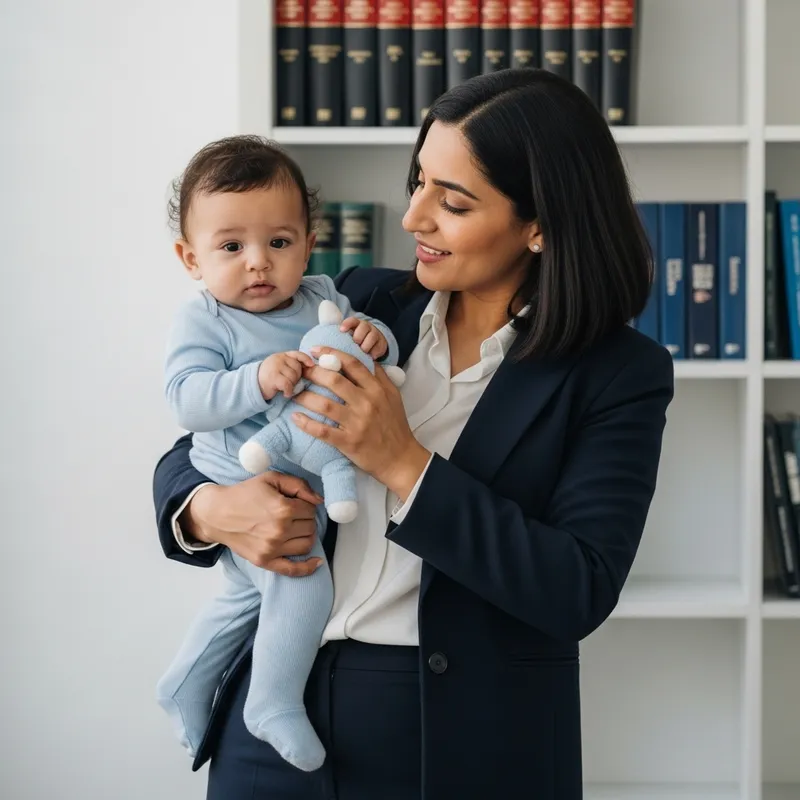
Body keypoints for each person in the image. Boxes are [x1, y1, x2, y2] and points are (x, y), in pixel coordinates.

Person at [152, 68, 675, 800]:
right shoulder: (358, 301)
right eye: (419, 181)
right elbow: (191, 448)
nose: (413, 218)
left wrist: (404, 462)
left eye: (452, 201)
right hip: (270, 711)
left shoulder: (619, 373)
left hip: (453, 741)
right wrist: (210, 512)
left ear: (540, 225)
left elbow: (576, 588)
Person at [155, 136, 399, 773]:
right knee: (302, 584)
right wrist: (258, 379)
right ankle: (271, 699)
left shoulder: (323, 296)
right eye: (232, 247)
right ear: (191, 258)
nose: (258, 264)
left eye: (279, 243)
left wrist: (378, 341)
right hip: (238, 471)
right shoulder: (207, 319)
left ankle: (183, 684)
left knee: (243, 597)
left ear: (309, 244)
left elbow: (358, 361)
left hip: (306, 475)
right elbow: (186, 402)